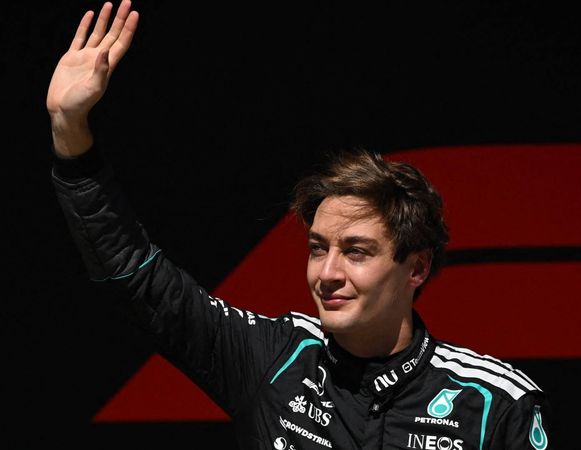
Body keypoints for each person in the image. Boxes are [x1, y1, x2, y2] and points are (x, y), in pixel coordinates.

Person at [48, 2, 554, 449]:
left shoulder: (494, 406)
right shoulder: (273, 359)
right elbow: (137, 278)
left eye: (356, 251)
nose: (327, 272)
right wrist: (70, 133)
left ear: (417, 267)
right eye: (318, 248)